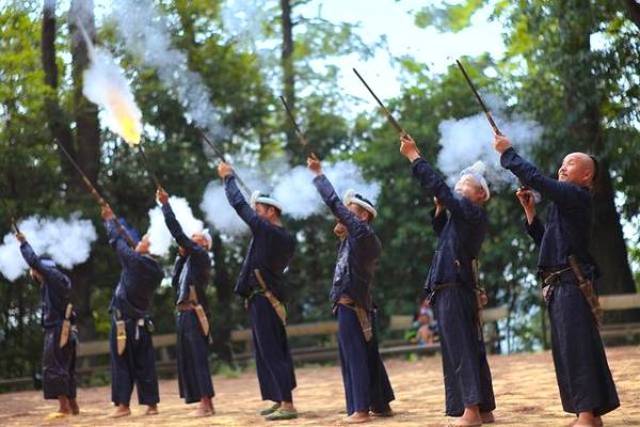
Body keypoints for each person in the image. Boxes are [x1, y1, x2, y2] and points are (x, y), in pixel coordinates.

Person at [494, 134, 619, 427]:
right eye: (562, 164)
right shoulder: (564, 206)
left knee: (576, 348)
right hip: (560, 286)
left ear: (586, 175)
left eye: (571, 163)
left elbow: (536, 178)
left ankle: (587, 415)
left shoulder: (577, 196)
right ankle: (587, 414)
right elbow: (547, 244)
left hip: (570, 284)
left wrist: (508, 153)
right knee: (569, 350)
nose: (562, 168)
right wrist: (530, 213)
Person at [400, 134, 495, 426]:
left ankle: (471, 411)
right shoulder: (462, 216)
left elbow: (439, 186)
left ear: (481, 195)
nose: (459, 184)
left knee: (461, 347)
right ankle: (484, 409)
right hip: (454, 286)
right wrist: (440, 210)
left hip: (454, 288)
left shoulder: (470, 210)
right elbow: (443, 232)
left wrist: (415, 157)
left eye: (467, 183)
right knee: (470, 346)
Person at [308, 155, 395, 424]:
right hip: (354, 304)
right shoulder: (353, 238)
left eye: (350, 210)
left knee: (355, 357)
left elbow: (334, 204)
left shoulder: (363, 235)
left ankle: (360, 410)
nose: (343, 213)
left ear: (364, 215)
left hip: (353, 305)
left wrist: (319, 175)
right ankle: (379, 404)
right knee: (365, 356)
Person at [217, 161, 298, 421]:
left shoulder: (270, 232)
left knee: (272, 351)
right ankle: (279, 398)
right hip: (260, 298)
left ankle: (287, 403)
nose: (254, 213)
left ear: (271, 212)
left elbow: (239, 205)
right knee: (266, 352)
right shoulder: (271, 234)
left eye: (259, 209)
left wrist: (228, 178)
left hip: (265, 299)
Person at [156, 188, 215, 416]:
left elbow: (178, 234)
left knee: (198, 358)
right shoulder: (189, 259)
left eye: (197, 238)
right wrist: (180, 256)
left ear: (205, 245)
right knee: (189, 359)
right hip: (183, 313)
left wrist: (165, 206)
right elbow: (174, 283)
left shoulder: (201, 256)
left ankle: (206, 403)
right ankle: (202, 401)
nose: (192, 239)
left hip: (193, 313)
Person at [101, 205, 164, 418]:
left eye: (144, 240)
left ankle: (123, 405)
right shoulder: (156, 270)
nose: (139, 241)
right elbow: (127, 240)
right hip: (141, 322)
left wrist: (110, 221)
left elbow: (118, 243)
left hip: (124, 323)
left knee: (121, 364)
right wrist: (116, 221)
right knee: (145, 364)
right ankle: (151, 405)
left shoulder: (135, 262)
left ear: (149, 248)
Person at [16, 232, 78, 420]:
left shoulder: (52, 277)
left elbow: (34, 261)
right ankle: (73, 406)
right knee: (65, 368)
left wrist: (23, 242)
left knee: (53, 367)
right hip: (65, 328)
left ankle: (64, 407)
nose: (33, 274)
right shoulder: (55, 281)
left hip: (58, 329)